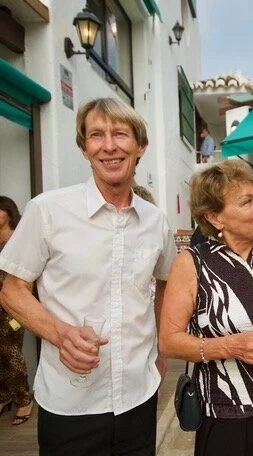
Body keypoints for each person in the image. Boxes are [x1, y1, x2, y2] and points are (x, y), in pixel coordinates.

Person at [0, 97, 176, 455]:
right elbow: (12, 289)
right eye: (96, 135)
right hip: (70, 404)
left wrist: (160, 348)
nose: (109, 146)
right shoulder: (47, 210)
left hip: (138, 397)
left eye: (120, 134)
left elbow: (164, 284)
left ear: (140, 146)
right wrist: (60, 334)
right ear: (84, 149)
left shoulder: (156, 221)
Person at [159, 160, 253, 456]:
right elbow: (169, 341)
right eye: (247, 202)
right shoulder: (192, 264)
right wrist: (232, 347)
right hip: (228, 409)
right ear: (215, 217)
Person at [0, 196, 34, 426]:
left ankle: (24, 399)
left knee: (11, 352)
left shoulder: (17, 239)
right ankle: (5, 396)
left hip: (12, 308)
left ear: (8, 213)